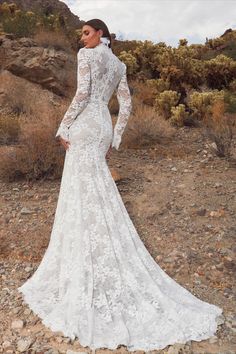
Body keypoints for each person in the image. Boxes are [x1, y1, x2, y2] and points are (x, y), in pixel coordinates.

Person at [18, 18, 224, 353]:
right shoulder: (119, 63)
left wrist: (62, 125)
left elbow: (83, 93)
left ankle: (86, 264)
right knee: (96, 189)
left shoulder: (89, 56)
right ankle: (97, 256)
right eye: (82, 34)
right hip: (103, 126)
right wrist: (115, 136)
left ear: (100, 34)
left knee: (81, 191)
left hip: (85, 123)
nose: (82, 38)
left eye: (86, 33)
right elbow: (126, 103)